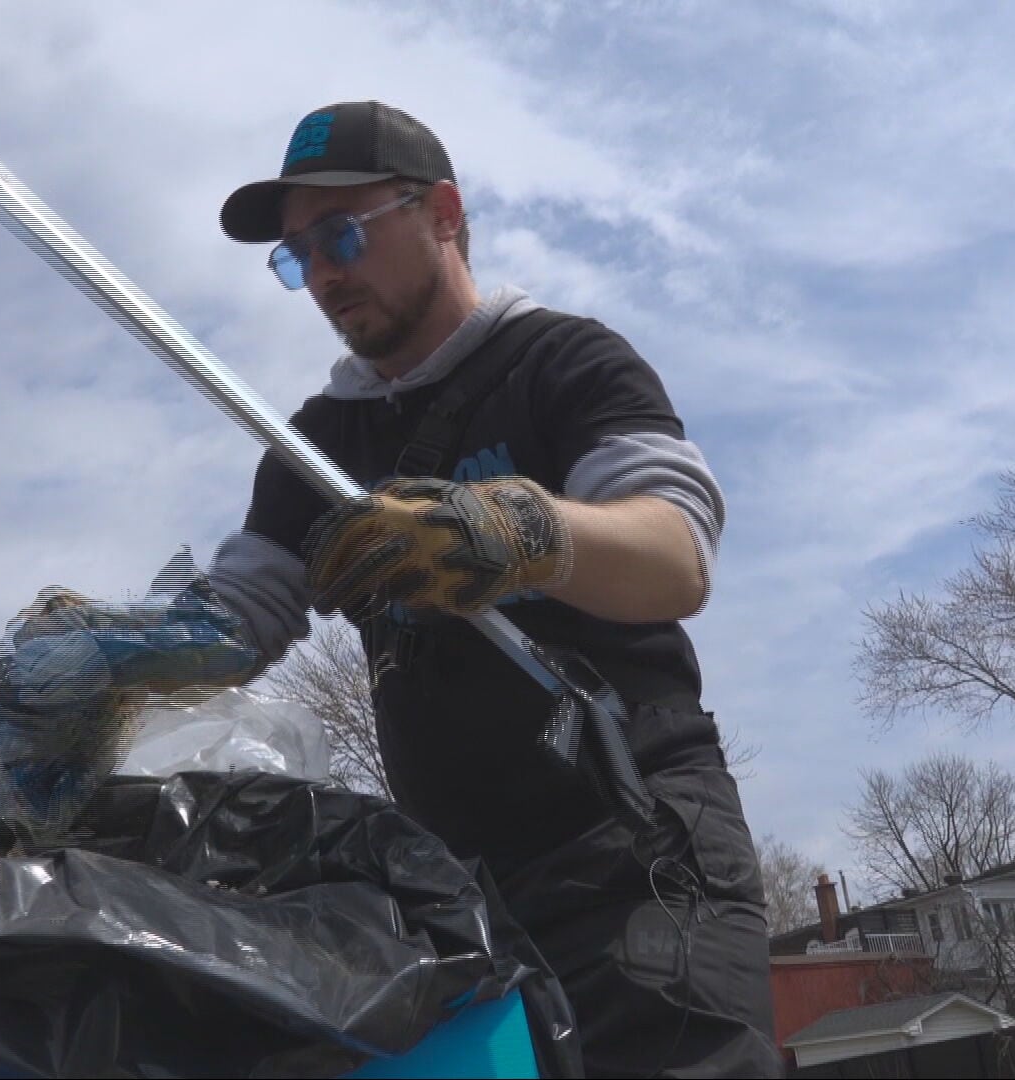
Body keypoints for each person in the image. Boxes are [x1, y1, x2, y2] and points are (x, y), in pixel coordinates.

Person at [201, 101, 780, 1078]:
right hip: (455, 901)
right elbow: (235, 619)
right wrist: (106, 665)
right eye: (299, 255)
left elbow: (675, 551)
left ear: (443, 213)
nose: (325, 276)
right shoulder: (313, 448)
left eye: (342, 233)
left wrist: (516, 532)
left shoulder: (561, 362)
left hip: (635, 853)